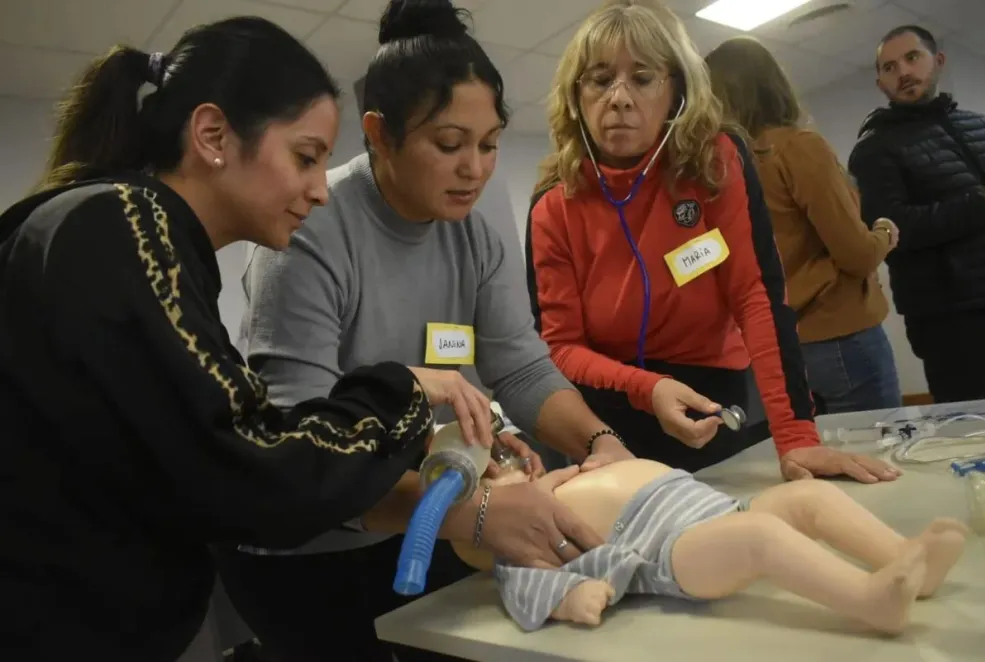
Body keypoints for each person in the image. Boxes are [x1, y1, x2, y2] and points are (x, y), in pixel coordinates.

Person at [0, 17, 456, 662]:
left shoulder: (121, 229)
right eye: (304, 156)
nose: (320, 191)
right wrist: (401, 391)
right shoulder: (125, 227)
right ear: (212, 135)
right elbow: (253, 461)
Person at [213, 2, 654, 661]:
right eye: (449, 145)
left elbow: (524, 367)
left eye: (489, 144)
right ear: (379, 135)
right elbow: (303, 450)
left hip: (417, 514)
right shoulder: (309, 231)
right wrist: (470, 515)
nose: (474, 168)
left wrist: (604, 442)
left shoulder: (473, 236)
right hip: (305, 548)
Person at [526, 0, 900, 482]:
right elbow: (560, 347)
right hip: (603, 410)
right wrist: (647, 386)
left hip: (709, 396)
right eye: (600, 80)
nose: (618, 97)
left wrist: (797, 436)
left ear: (676, 92)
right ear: (576, 96)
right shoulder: (552, 204)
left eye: (642, 78)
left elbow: (756, 297)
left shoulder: (716, 161)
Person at [458, 458, 967, 634]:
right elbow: (526, 589)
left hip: (718, 507)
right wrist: (571, 600)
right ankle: (870, 601)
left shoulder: (561, 476)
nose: (511, 469)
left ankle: (905, 557)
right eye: (493, 477)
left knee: (809, 496)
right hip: (675, 551)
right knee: (760, 538)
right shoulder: (518, 544)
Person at [705, 36, 903, 415]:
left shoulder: (717, 171)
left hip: (771, 350)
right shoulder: (797, 148)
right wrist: (884, 233)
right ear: (772, 82)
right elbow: (857, 255)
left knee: (804, 464)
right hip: (839, 338)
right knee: (878, 459)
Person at [848, 25, 985, 404]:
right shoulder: (874, 149)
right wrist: (980, 205)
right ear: (880, 82)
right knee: (975, 442)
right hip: (950, 320)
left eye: (912, 58)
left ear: (938, 61)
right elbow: (893, 232)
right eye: (890, 67)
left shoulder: (983, 127)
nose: (904, 73)